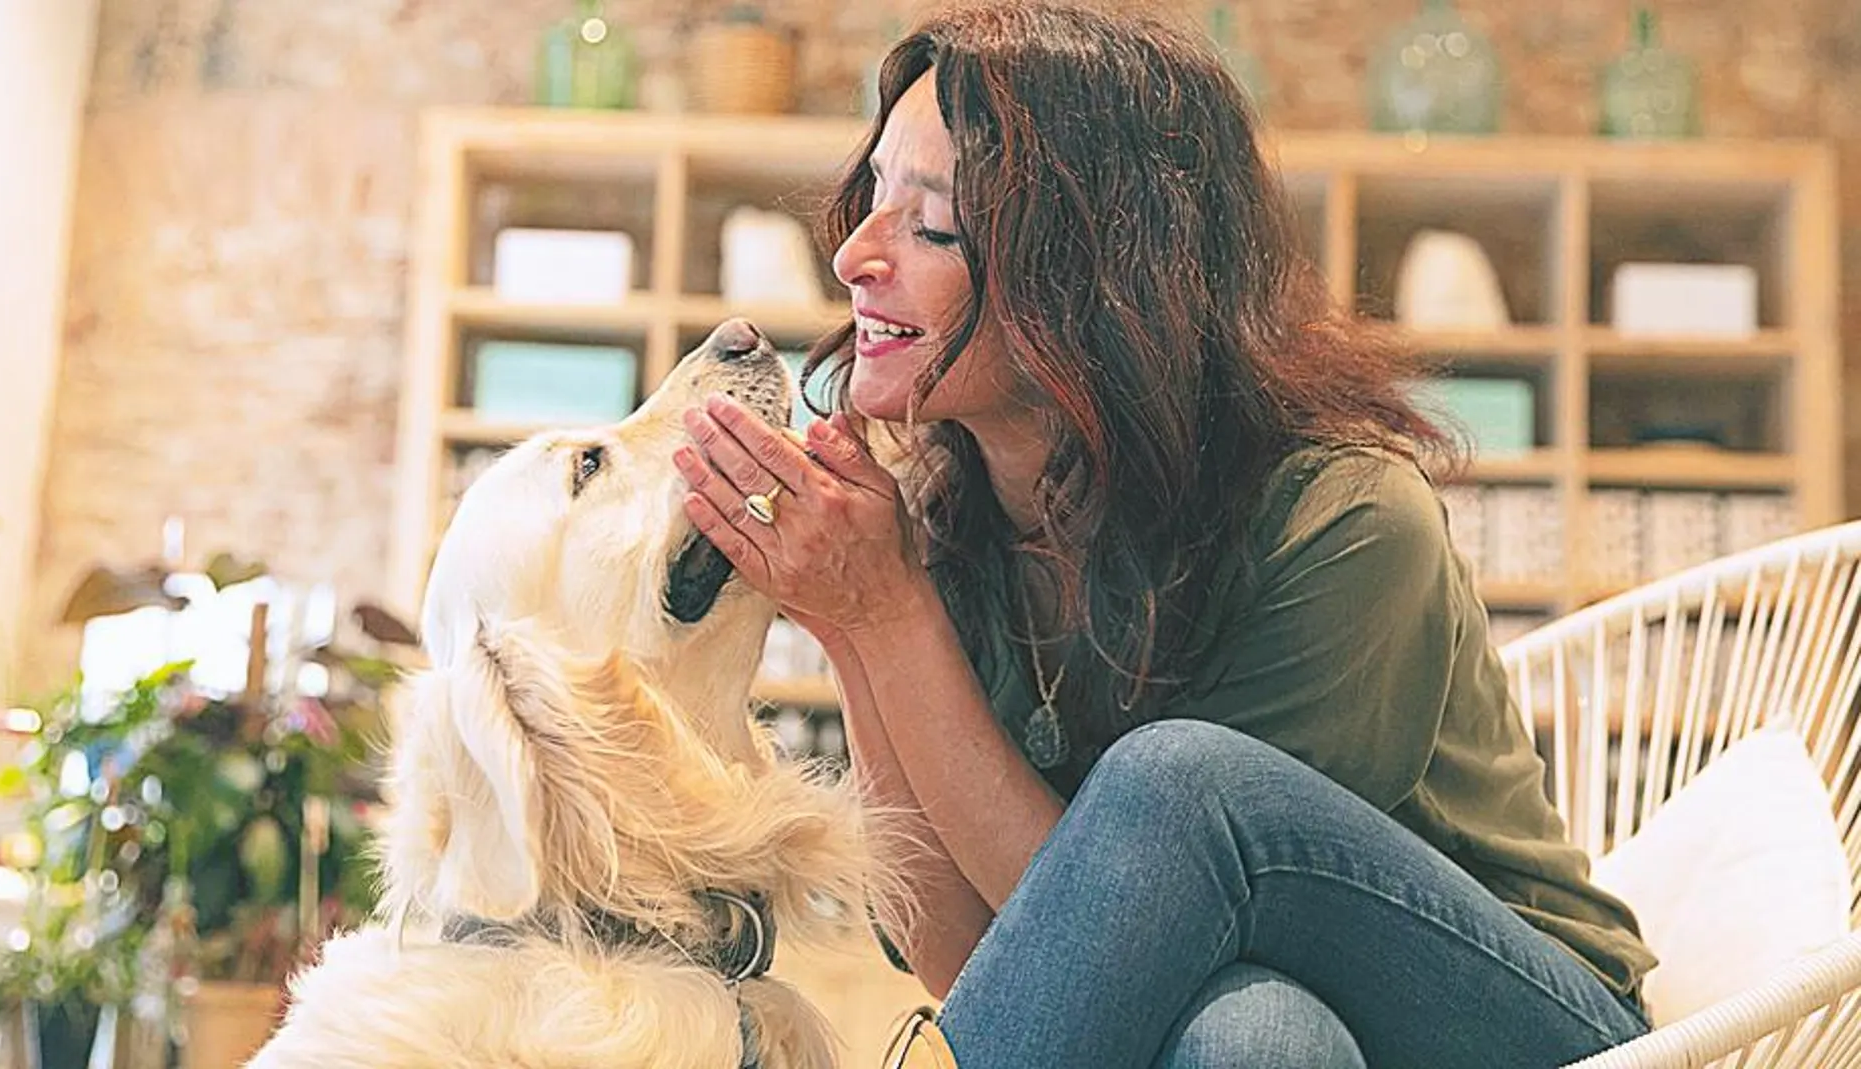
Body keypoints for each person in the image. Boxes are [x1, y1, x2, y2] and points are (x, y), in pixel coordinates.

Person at [672, 3, 1655, 1066]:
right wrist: (859, 625)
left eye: (934, 223)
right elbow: (983, 960)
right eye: (871, 200)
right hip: (1292, 1020)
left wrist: (891, 614)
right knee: (1255, 1033)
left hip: (1530, 1023)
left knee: (1179, 782)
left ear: (1095, 270)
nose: (857, 253)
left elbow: (1139, 920)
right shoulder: (962, 523)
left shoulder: (1347, 520)